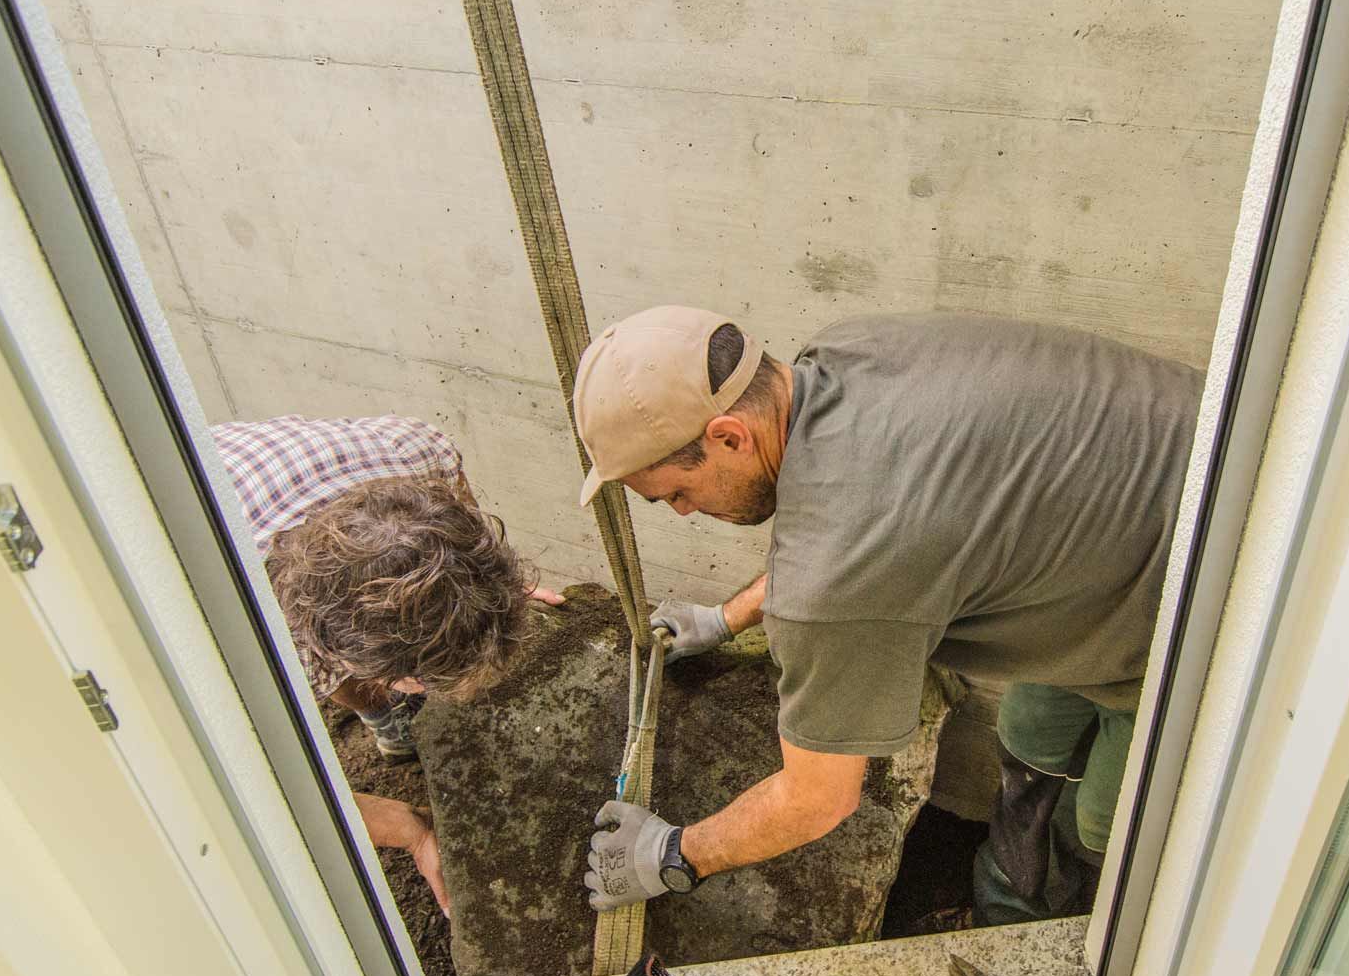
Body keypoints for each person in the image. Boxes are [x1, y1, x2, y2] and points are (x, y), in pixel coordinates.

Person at [573, 307, 1200, 925]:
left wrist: (673, 855)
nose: (681, 513)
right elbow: (877, 528)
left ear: (730, 436)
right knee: (1033, 733)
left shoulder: (835, 576)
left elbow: (817, 800)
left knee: (1106, 823)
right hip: (1173, 487)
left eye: (677, 493)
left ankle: (1067, 908)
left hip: (1217, 628)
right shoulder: (853, 349)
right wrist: (726, 617)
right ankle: (1013, 890)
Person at [212, 414, 563, 914]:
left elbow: (463, 545)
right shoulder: (240, 650)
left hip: (269, 481)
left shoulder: (421, 458)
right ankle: (380, 718)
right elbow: (256, 788)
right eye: (421, 684)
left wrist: (492, 590)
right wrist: (410, 830)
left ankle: (388, 724)